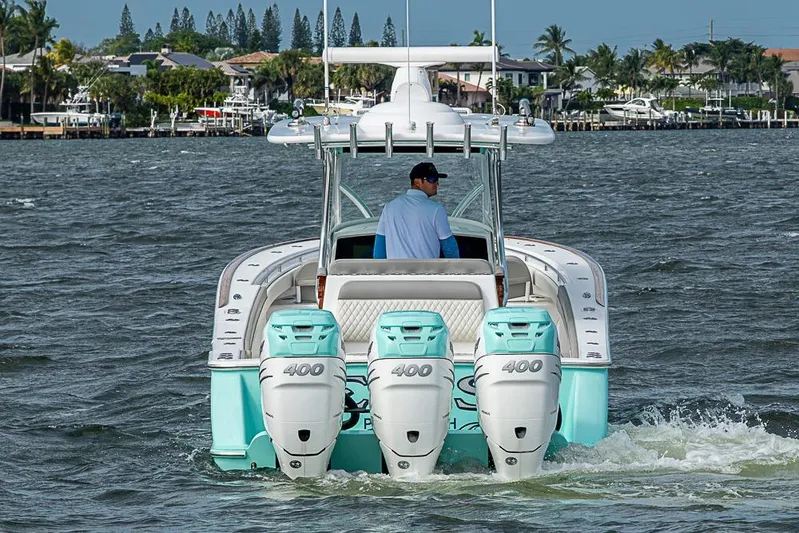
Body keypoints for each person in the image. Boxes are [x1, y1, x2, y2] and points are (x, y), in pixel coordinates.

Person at [373, 162, 460, 259]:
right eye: (432, 179)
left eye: (437, 180)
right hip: (426, 273)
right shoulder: (437, 210)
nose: (437, 183)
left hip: (396, 273)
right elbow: (449, 248)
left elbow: (379, 251)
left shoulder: (389, 208)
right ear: (417, 182)